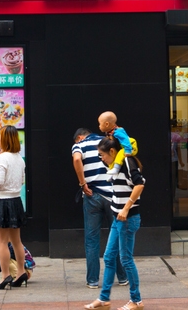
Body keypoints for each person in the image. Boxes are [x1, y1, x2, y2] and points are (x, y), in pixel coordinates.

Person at [83, 135, 145, 310]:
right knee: (110, 257)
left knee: (126, 259)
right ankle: (104, 299)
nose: (101, 159)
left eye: (102, 155)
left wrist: (126, 208)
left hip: (127, 218)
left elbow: (139, 185)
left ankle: (136, 300)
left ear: (112, 151)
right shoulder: (114, 165)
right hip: (119, 219)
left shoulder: (127, 162)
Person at [72, 128, 128, 289]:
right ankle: (123, 277)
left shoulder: (79, 145)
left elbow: (76, 160)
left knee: (91, 240)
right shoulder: (107, 141)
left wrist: (83, 184)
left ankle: (93, 281)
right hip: (113, 195)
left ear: (80, 137)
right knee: (116, 235)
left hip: (92, 196)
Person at [0, 125, 28, 289]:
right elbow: (22, 181)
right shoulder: (19, 158)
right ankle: (21, 272)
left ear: (4, 139)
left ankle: (5, 276)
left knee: (2, 242)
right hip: (16, 201)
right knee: (17, 241)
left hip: (3, 201)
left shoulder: (2, 158)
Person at [98, 111, 138, 178]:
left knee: (120, 154)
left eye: (100, 124)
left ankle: (116, 168)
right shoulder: (111, 133)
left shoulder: (117, 132)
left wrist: (128, 150)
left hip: (130, 147)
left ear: (107, 124)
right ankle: (113, 175)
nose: (99, 126)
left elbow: (125, 141)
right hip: (124, 147)